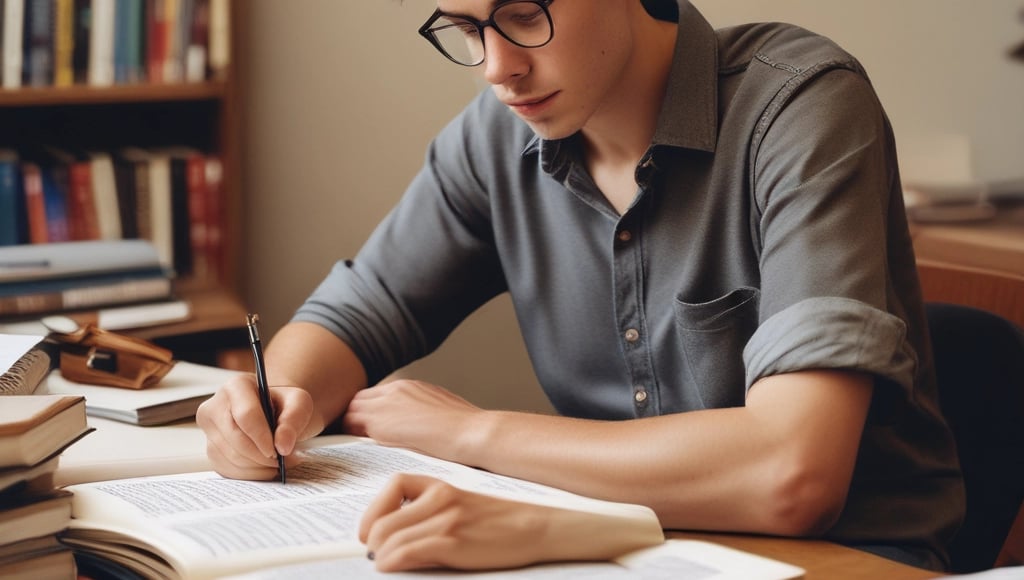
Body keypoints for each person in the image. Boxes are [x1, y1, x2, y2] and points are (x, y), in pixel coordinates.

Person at [197, 0, 966, 573]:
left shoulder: (800, 103)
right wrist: (271, 400)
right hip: (620, 547)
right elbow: (359, 311)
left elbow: (791, 476)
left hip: (844, 560)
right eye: (468, 30)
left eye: (525, 15)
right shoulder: (498, 139)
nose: (498, 68)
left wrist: (473, 435)